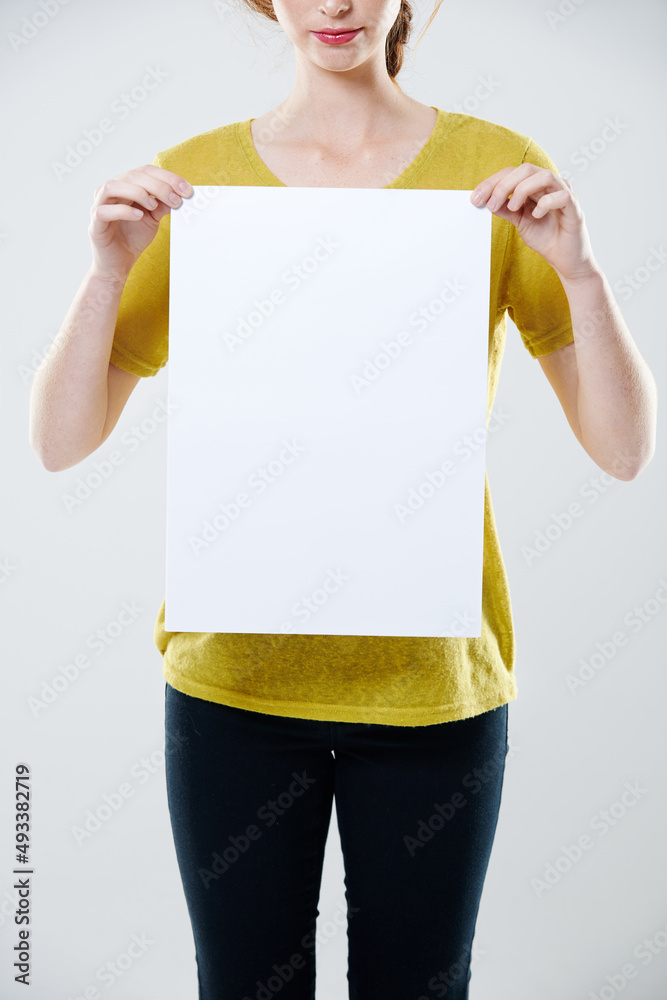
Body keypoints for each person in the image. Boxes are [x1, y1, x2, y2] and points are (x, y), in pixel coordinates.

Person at [29, 0, 657, 996]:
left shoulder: (496, 172)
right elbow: (61, 442)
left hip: (432, 690)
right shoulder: (195, 184)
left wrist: (578, 272)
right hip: (231, 687)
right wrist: (107, 271)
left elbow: (622, 451)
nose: (335, 4)